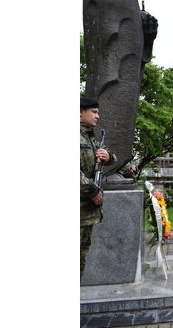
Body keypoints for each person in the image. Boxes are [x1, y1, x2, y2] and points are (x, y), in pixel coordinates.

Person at [80, 97, 117, 277]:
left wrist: (108, 156)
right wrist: (92, 190)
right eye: (94, 112)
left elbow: (112, 157)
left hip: (85, 214)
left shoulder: (90, 137)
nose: (98, 116)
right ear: (80, 113)